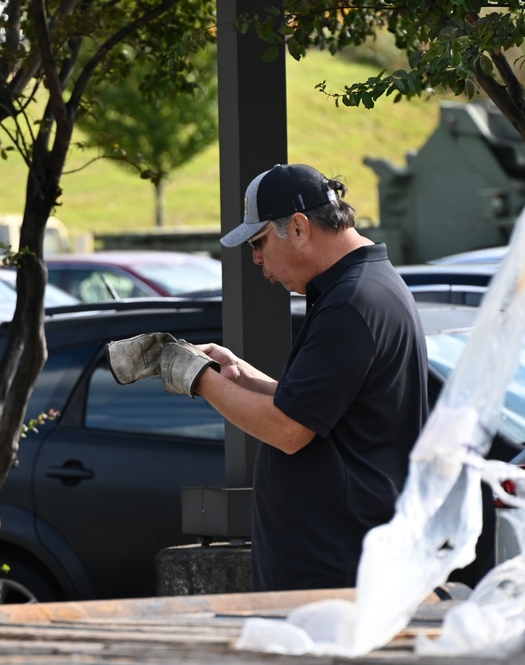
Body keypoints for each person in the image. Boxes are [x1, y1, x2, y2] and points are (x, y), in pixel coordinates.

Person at [109, 163, 427, 592]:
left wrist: (198, 376)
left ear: (298, 227)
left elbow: (288, 429)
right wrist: (237, 375)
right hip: (342, 559)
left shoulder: (351, 303)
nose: (257, 260)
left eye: (259, 242)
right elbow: (319, 410)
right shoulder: (362, 287)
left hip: (336, 568)